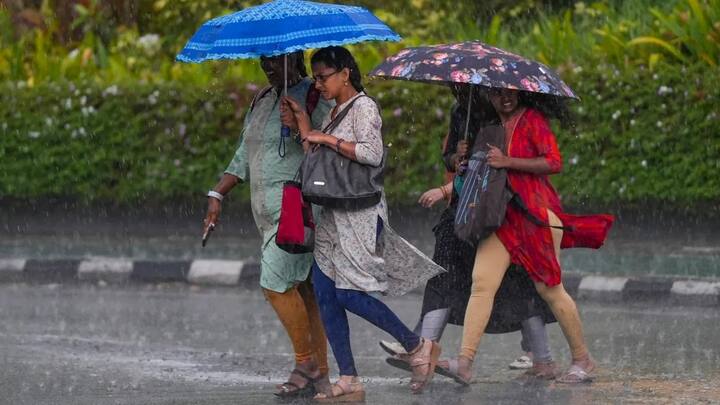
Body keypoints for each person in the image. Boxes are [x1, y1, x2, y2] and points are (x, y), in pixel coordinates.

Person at [282, 46, 445, 401]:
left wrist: (325, 137)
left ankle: (417, 345)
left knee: (348, 294)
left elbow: (371, 154)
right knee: (325, 293)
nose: (319, 84)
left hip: (359, 213)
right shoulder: (336, 111)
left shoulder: (364, 107)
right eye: (316, 77)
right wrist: (304, 125)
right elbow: (322, 158)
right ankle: (349, 377)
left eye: (324, 76)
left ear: (345, 74)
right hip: (333, 213)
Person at [381, 85, 558, 380]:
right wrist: (456, 159)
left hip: (501, 211)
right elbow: (455, 161)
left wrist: (468, 169)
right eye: (454, 88)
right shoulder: (460, 111)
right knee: (445, 276)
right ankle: (425, 351)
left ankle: (542, 357)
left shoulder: (509, 115)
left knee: (517, 282)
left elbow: (509, 167)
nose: (457, 92)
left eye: (463, 88)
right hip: (464, 209)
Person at [441, 87, 614, 385]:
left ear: (520, 93)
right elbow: (483, 174)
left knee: (550, 289)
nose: (505, 98)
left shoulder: (533, 120)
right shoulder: (489, 128)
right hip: (502, 218)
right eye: (497, 94)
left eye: (511, 93)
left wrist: (508, 161)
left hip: (536, 217)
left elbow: (553, 162)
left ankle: (583, 359)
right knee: (481, 283)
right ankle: (465, 362)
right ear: (489, 97)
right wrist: (464, 161)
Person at [202, 51, 333, 399]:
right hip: (265, 213)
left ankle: (305, 363)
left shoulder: (315, 95)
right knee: (306, 293)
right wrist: (217, 192)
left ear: (295, 59)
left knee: (274, 283)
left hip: (298, 210)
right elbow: (244, 155)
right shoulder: (262, 98)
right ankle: (320, 374)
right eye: (265, 62)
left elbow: (326, 151)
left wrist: (299, 126)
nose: (269, 67)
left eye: (277, 61)